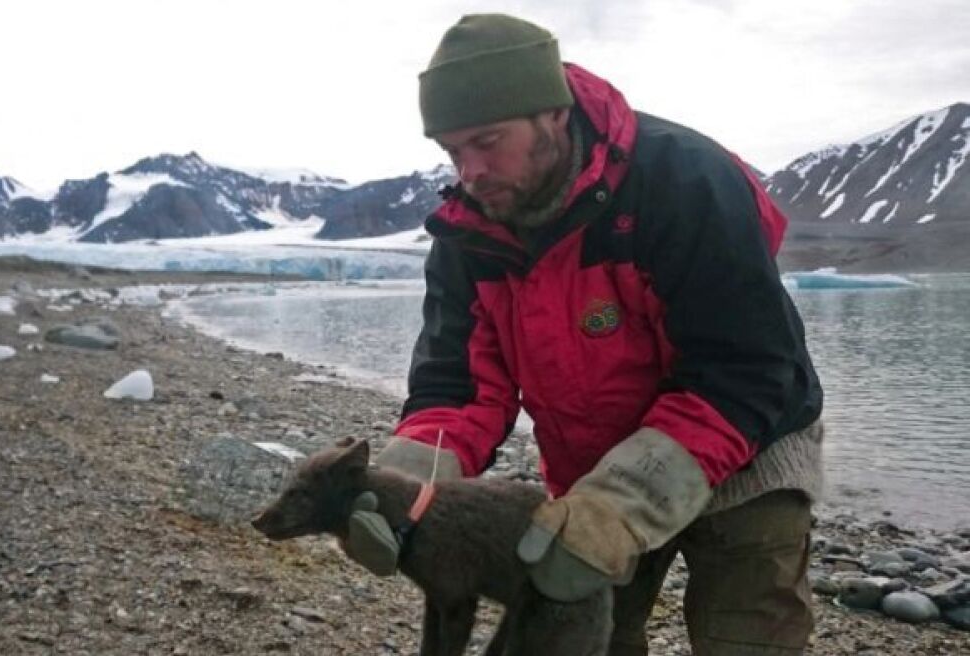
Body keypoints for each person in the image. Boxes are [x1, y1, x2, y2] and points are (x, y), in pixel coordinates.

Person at [342, 13, 825, 656]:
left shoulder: (685, 184)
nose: (471, 170)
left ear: (553, 114)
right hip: (592, 466)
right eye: (453, 151)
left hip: (750, 447)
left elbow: (742, 373)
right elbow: (458, 389)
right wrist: (400, 485)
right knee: (579, 641)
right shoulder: (470, 235)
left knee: (749, 639)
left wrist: (620, 508)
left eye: (488, 140)